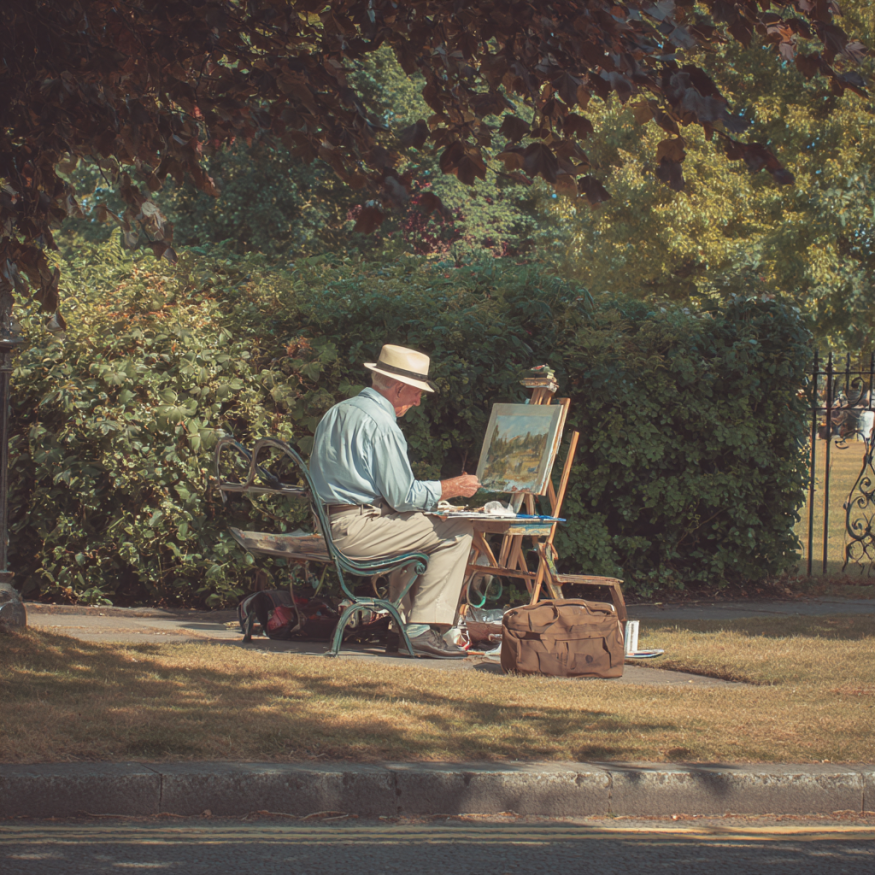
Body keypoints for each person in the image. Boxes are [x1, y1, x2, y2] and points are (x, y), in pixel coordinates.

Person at [310, 344, 481, 658]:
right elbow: (402, 497)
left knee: (421, 529)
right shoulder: (381, 424)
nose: (418, 402)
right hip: (354, 530)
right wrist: (452, 487)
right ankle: (421, 629)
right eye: (416, 393)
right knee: (458, 529)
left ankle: (401, 624)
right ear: (400, 388)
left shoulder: (339, 410)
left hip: (327, 524)